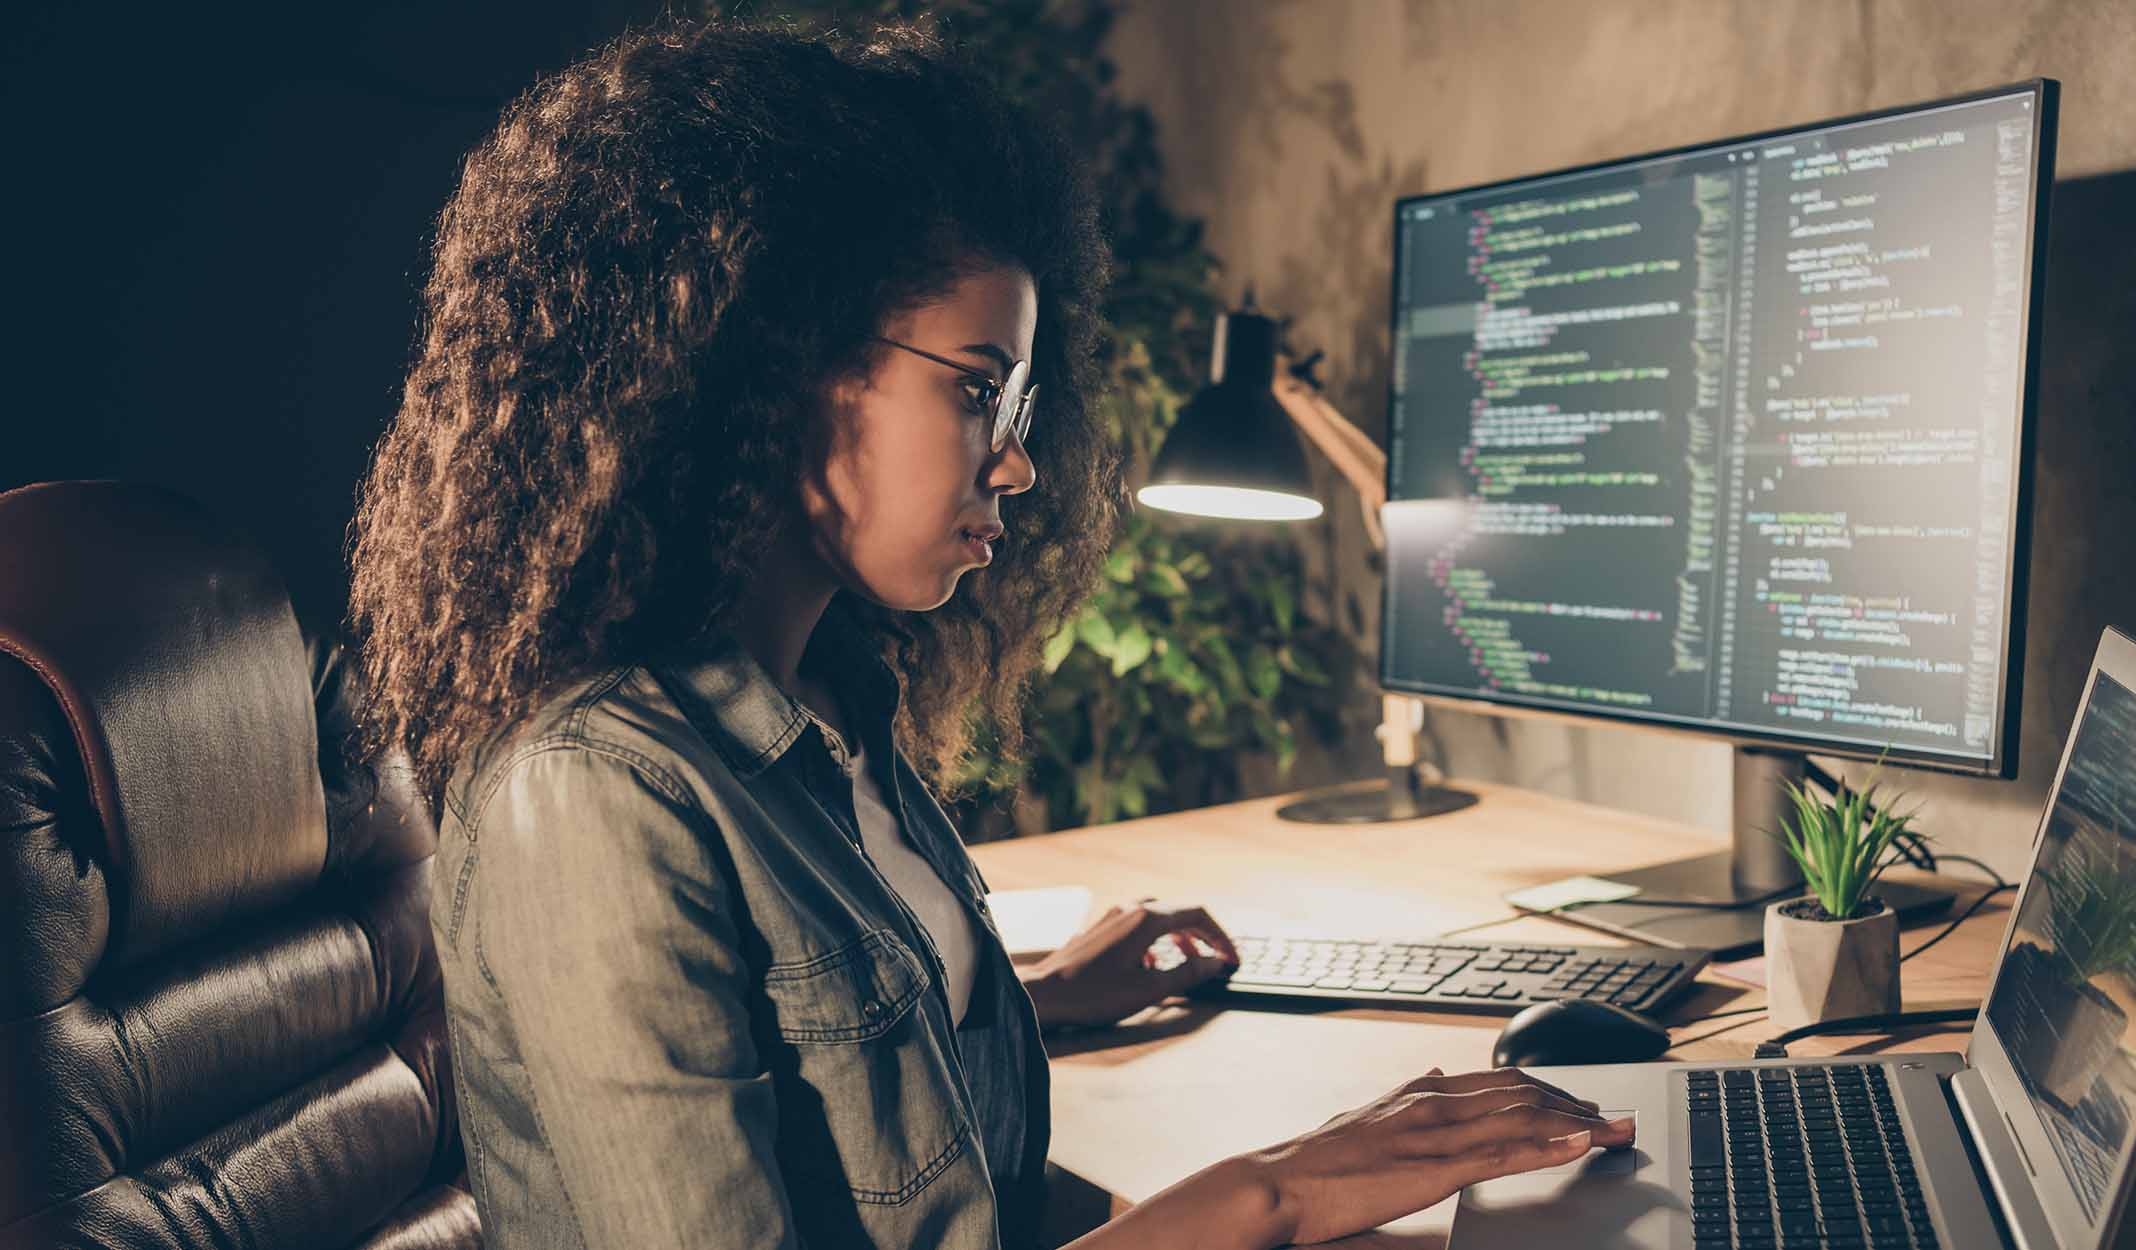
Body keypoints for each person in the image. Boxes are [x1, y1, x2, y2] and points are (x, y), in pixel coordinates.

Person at [348, 20, 1633, 1250]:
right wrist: (1270, 1194)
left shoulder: (831, 712)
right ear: (770, 366)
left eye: (1018, 400)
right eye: (976, 390)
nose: (1016, 463)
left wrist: (1018, 995)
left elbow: (854, 1099)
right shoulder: (595, 796)